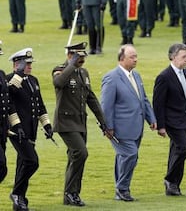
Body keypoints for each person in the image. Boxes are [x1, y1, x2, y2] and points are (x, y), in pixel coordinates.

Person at [52, 42, 110, 206]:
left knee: (75, 158)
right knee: (81, 153)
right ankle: (71, 192)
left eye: (83, 57)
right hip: (65, 122)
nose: (82, 60)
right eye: (78, 57)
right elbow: (58, 83)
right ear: (70, 56)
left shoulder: (83, 73)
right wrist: (70, 65)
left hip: (80, 122)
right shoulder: (60, 70)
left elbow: (91, 99)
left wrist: (103, 122)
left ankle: (71, 195)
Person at [101, 45, 157, 201]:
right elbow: (106, 105)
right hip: (120, 128)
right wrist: (108, 127)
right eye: (132, 57)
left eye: (136, 56)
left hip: (136, 127)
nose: (135, 59)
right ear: (121, 58)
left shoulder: (136, 75)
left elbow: (143, 99)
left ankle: (120, 189)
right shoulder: (111, 77)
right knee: (130, 155)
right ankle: (122, 188)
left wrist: (151, 118)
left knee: (124, 157)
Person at [153, 43, 186, 196]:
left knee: (176, 151)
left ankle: (174, 186)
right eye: (183, 57)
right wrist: (161, 126)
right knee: (185, 148)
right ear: (173, 57)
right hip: (172, 121)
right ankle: (170, 179)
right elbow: (158, 103)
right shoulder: (164, 77)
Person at [7, 48, 53, 211]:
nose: (30, 66)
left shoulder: (33, 80)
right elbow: (10, 95)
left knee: (23, 164)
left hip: (31, 129)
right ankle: (17, 193)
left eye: (30, 63)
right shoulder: (10, 79)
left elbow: (39, 105)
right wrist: (18, 74)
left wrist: (46, 124)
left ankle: (20, 202)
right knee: (31, 161)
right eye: (26, 64)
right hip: (17, 130)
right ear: (16, 64)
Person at [0, 42, 24, 188]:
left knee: (2, 168)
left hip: (2, 130)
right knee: (1, 164)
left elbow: (8, 100)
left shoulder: (1, 74)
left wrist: (17, 125)